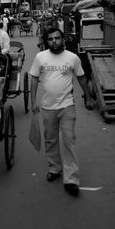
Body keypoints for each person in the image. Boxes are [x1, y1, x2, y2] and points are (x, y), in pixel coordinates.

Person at [29, 27, 94, 197]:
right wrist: (32, 100)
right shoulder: (40, 57)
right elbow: (34, 78)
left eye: (57, 38)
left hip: (67, 106)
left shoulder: (72, 58)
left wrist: (88, 97)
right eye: (50, 39)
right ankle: (55, 168)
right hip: (47, 107)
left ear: (62, 39)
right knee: (50, 140)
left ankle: (71, 179)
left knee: (68, 140)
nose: (54, 41)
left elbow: (81, 77)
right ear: (46, 41)